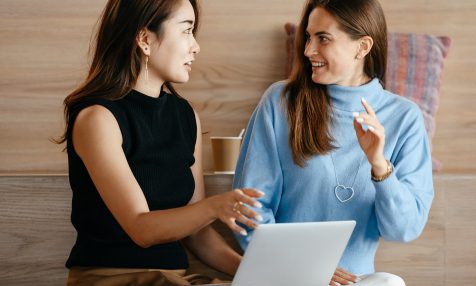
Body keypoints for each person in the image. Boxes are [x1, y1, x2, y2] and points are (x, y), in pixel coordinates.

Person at [55, 0, 263, 285]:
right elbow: (141, 229)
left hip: (173, 278)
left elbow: (198, 235)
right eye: (186, 31)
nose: (196, 46)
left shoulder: (185, 115)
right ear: (144, 39)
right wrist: (215, 207)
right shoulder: (98, 118)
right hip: (112, 278)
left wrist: (268, 275)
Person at [233, 0, 434, 285]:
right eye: (308, 37)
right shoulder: (280, 102)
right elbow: (247, 211)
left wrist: (379, 165)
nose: (307, 50)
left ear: (362, 47)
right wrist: (305, 269)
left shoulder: (405, 118)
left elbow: (404, 229)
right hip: (285, 277)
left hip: (356, 281)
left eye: (323, 38)